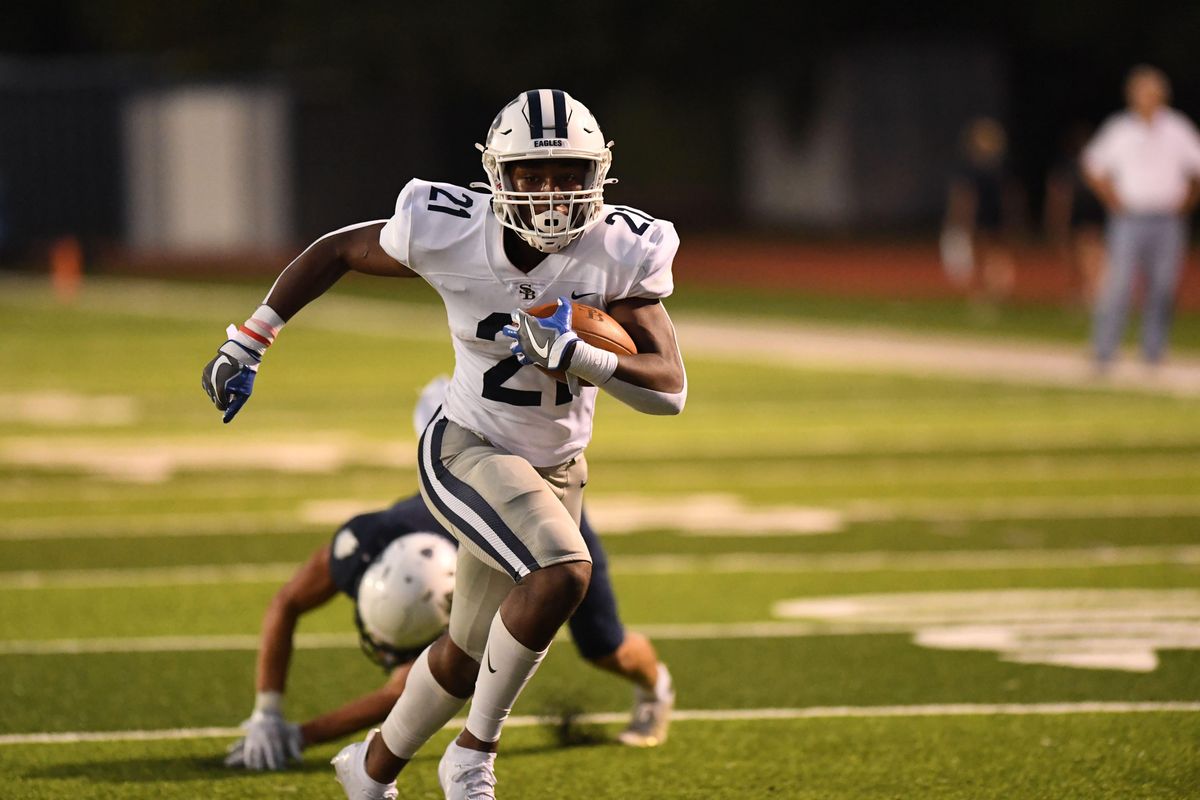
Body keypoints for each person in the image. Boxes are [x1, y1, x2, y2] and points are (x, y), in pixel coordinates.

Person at [201, 88, 686, 800]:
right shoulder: (450, 228)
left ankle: (367, 774)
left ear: (597, 174)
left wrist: (582, 357)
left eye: (566, 174)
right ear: (498, 175)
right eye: (530, 174)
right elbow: (337, 249)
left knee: (463, 656)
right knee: (562, 573)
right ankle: (472, 758)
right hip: (467, 447)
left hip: (557, 468)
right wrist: (250, 339)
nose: (550, 193)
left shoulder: (620, 247)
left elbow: (669, 387)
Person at [222, 380, 675, 771]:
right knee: (452, 668)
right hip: (476, 489)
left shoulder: (442, 591)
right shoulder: (365, 544)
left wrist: (300, 737)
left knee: (602, 646)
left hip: (546, 515)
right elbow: (287, 603)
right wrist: (267, 712)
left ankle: (656, 687)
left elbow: (400, 690)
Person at [1083, 65, 1200, 371]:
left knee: (1163, 286)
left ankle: (1153, 351)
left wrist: (1187, 202)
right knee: (1118, 284)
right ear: (1132, 95)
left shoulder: (1178, 128)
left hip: (1167, 220)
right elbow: (1093, 165)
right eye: (1142, 91)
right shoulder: (1120, 129)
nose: (1148, 97)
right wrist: (1113, 199)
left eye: (1153, 91)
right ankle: (1104, 351)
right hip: (1129, 219)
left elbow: (1196, 169)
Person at [941, 117, 1024, 306]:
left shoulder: (981, 169)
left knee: (991, 252)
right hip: (991, 215)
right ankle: (994, 289)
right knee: (992, 253)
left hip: (987, 215)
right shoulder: (995, 167)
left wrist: (961, 219)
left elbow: (966, 198)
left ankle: (996, 289)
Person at [1044, 121, 1108, 309]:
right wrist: (1057, 221)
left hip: (1091, 217)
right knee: (1076, 259)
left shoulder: (1101, 168)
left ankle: (1092, 294)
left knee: (1091, 256)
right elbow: (1060, 196)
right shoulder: (1069, 167)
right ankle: (1080, 293)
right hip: (1077, 217)